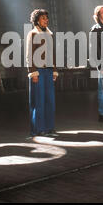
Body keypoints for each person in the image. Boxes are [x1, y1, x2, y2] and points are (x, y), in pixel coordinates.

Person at [26, 9, 58, 137]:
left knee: (50, 100)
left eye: (46, 18)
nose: (46, 20)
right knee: (38, 101)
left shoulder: (50, 35)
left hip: (49, 71)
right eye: (43, 18)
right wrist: (33, 72)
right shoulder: (32, 34)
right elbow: (29, 55)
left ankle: (50, 127)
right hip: (38, 71)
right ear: (37, 20)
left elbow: (52, 54)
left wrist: (54, 70)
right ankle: (38, 129)